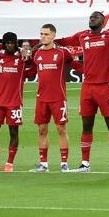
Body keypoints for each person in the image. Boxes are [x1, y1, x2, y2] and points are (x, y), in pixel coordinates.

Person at [56, 11, 109, 173]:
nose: (92, 19)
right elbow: (65, 41)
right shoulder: (82, 36)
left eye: (95, 17)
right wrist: (48, 40)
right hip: (88, 87)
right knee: (86, 126)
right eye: (90, 17)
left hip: (106, 86)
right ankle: (85, 164)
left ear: (103, 21)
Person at [0, 32, 31, 172]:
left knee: (13, 132)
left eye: (12, 42)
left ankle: (10, 163)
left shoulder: (22, 58)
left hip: (15, 103)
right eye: (7, 43)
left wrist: (27, 51)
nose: (10, 45)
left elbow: (34, 63)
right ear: (4, 44)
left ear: (16, 43)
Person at [29, 24, 73, 172]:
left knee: (61, 129)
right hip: (41, 98)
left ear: (54, 35)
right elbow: (29, 69)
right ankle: (44, 164)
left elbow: (74, 64)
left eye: (46, 34)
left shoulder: (62, 53)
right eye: (41, 34)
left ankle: (64, 164)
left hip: (58, 98)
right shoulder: (36, 54)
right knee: (42, 130)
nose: (43, 37)